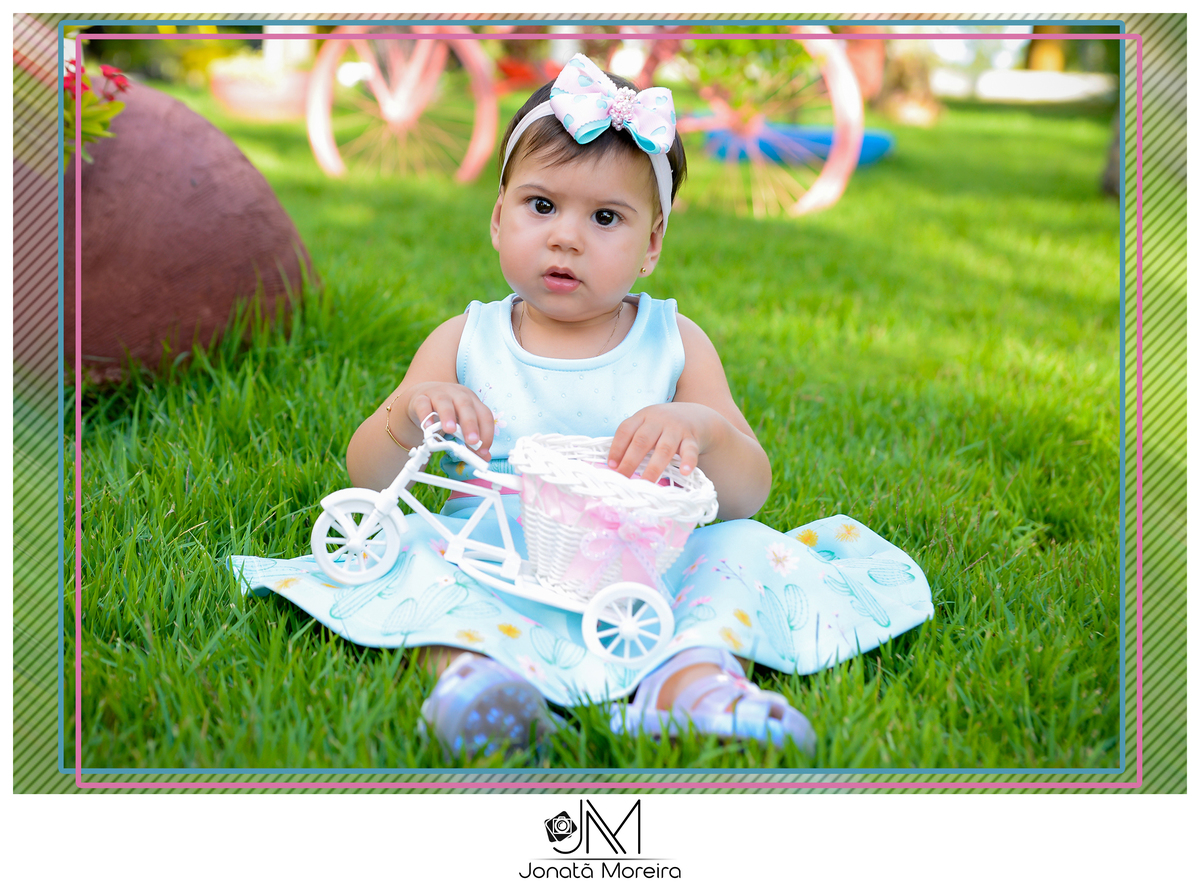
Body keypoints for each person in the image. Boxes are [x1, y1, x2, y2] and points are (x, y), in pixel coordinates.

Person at [231, 54, 933, 760]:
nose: (566, 236)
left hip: (646, 563)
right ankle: (481, 682)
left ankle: (690, 685)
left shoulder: (674, 342)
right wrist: (412, 411)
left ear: (651, 244)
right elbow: (370, 476)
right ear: (498, 219)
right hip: (494, 555)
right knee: (415, 553)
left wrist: (702, 430)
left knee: (740, 550)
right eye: (541, 206)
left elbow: (748, 493)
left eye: (604, 217)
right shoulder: (465, 339)